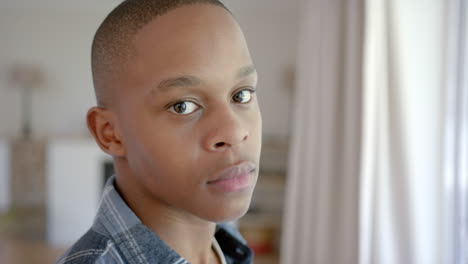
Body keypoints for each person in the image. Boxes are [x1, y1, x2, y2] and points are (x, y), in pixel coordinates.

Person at [56, 0, 262, 263]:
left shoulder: (229, 247)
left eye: (241, 95)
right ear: (110, 133)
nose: (234, 132)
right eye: (183, 106)